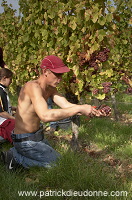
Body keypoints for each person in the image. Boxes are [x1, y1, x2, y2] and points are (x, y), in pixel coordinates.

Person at [1, 55, 104, 171]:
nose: (60, 79)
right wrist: (78, 109)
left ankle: (17, 154)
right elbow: (44, 115)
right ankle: (15, 157)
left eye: (61, 75)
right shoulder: (32, 86)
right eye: (57, 75)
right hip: (25, 141)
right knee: (60, 165)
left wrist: (89, 109)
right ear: (45, 72)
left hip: (37, 137)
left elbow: (67, 105)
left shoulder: (50, 89)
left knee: (58, 161)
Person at [0, 68, 16, 144]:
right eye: (10, 79)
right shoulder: (0, 92)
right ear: (4, 78)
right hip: (2, 122)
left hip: (6, 119)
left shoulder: (2, 90)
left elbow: (5, 106)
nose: (11, 81)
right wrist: (15, 119)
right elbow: (2, 113)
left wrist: (16, 108)